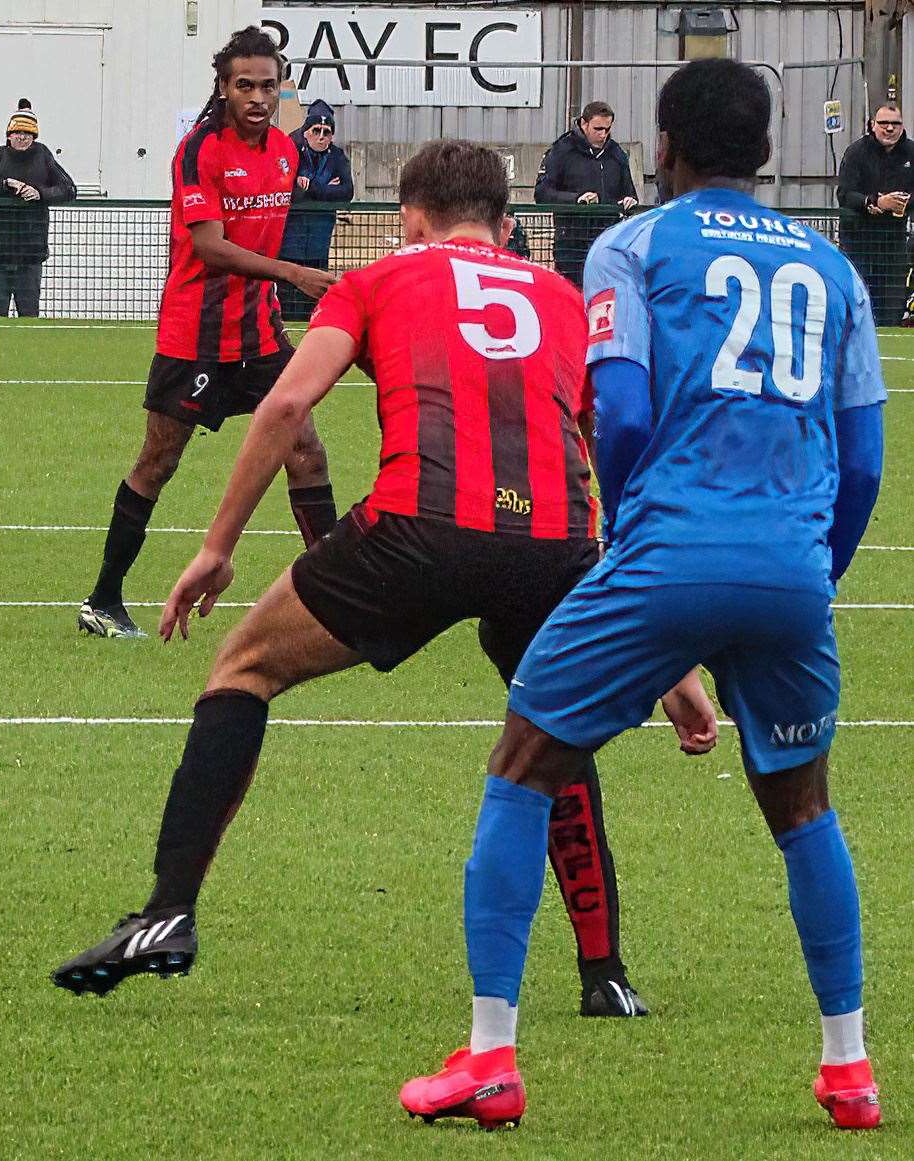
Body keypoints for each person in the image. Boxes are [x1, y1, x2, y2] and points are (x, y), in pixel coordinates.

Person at [54, 139, 665, 1021]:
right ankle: (604, 972)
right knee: (553, 732)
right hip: (554, 542)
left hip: (420, 529)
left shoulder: (383, 276)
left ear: (411, 218)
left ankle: (167, 913)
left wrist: (219, 544)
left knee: (242, 669)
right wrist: (665, 651)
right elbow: (604, 441)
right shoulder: (565, 298)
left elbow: (288, 405)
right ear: (508, 225)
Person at [402, 59, 886, 1132]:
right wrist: (815, 570)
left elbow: (614, 414)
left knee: (523, 765)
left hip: (666, 553)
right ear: (763, 152)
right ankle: (848, 1069)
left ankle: (489, 1056)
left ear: (661, 147)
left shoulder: (634, 243)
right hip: (792, 573)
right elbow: (861, 464)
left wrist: (630, 533)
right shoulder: (835, 267)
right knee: (804, 810)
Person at [76, 27, 339, 640]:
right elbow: (210, 248)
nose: (258, 97)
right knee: (158, 461)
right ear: (223, 88)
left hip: (261, 336)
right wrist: (293, 272)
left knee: (306, 451)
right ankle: (102, 600)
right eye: (244, 85)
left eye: (268, 86)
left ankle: (336, 602)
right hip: (194, 335)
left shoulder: (286, 150)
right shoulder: (199, 151)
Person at [0, 100, 75, 317]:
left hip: (30, 253)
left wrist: (40, 193)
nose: (22, 137)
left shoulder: (43, 155)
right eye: (17, 132)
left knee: (29, 316)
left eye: (27, 133)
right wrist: (4, 183)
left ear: (34, 137)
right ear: (9, 134)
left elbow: (68, 188)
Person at [535, 101, 639, 285]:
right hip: (572, 244)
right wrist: (576, 200)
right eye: (598, 128)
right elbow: (542, 193)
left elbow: (629, 192)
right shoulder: (562, 150)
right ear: (584, 124)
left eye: (607, 129)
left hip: (607, 242)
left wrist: (629, 201)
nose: (603, 135)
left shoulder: (616, 154)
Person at [836, 105, 914, 326]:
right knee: (857, 310)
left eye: (895, 124)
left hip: (894, 247)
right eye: (883, 123)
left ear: (902, 126)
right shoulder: (856, 152)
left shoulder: (911, 152)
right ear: (873, 125)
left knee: (891, 311)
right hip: (858, 245)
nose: (889, 128)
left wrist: (904, 203)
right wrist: (873, 202)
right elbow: (844, 193)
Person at [277, 98, 353, 321]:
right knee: (287, 298)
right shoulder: (290, 149)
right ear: (307, 131)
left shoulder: (338, 157)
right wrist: (325, 189)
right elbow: (287, 188)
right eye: (316, 130)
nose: (321, 137)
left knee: (314, 298)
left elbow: (346, 192)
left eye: (326, 132)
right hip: (289, 241)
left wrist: (312, 186)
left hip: (319, 241)